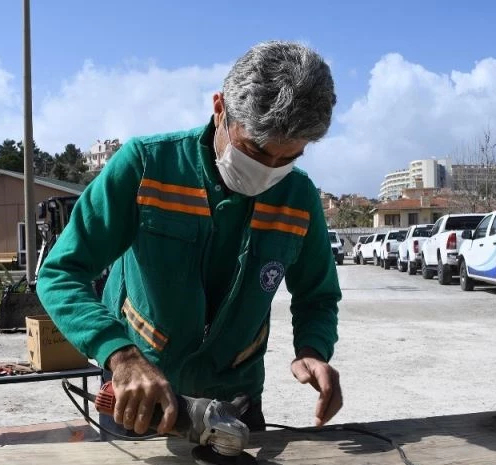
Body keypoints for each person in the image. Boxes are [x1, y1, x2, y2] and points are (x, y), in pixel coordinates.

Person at [37, 40, 342, 437]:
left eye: (286, 160)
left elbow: (317, 296)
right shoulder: (146, 167)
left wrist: (314, 350)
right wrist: (120, 354)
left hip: (236, 401)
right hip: (142, 395)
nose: (267, 171)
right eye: (254, 151)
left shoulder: (298, 198)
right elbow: (61, 272)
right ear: (220, 109)